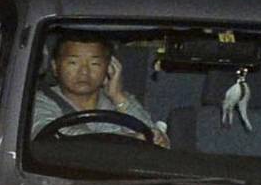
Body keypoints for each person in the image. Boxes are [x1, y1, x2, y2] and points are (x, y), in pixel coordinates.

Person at [30, 36, 166, 142]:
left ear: (109, 67)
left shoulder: (119, 101)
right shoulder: (38, 102)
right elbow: (51, 136)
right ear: (55, 66)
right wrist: (126, 140)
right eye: (73, 63)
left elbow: (152, 135)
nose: (84, 71)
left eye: (95, 63)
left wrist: (118, 97)